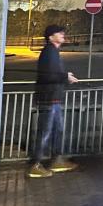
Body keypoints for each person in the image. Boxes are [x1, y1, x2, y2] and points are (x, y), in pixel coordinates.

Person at [28, 24, 79, 178]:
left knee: (57, 130)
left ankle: (57, 159)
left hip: (53, 98)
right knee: (45, 132)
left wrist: (64, 75)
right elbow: (47, 76)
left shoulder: (53, 52)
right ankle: (35, 165)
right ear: (51, 37)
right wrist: (65, 77)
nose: (63, 34)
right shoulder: (49, 52)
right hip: (49, 98)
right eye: (59, 32)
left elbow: (52, 73)